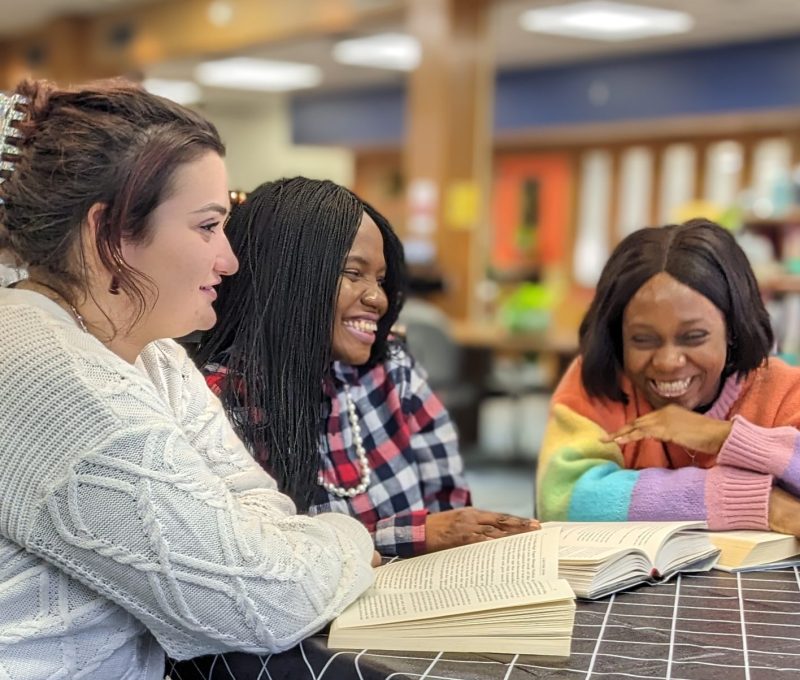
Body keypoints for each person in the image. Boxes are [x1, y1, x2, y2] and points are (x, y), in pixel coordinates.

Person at [0, 80, 376, 680]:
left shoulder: (153, 352)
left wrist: (260, 547)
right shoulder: (54, 377)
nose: (228, 259)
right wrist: (346, 534)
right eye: (207, 226)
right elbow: (265, 602)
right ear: (110, 234)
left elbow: (257, 502)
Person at [195, 177, 538, 557]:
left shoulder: (391, 368)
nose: (378, 298)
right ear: (288, 274)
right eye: (353, 273)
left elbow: (450, 511)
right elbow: (266, 561)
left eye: (381, 280)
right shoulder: (214, 403)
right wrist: (412, 534)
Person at [537, 217, 800, 537]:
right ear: (617, 336)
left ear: (732, 329)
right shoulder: (599, 381)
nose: (668, 362)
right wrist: (755, 501)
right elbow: (564, 499)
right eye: (643, 340)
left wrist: (719, 436)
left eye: (693, 337)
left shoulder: (784, 389)